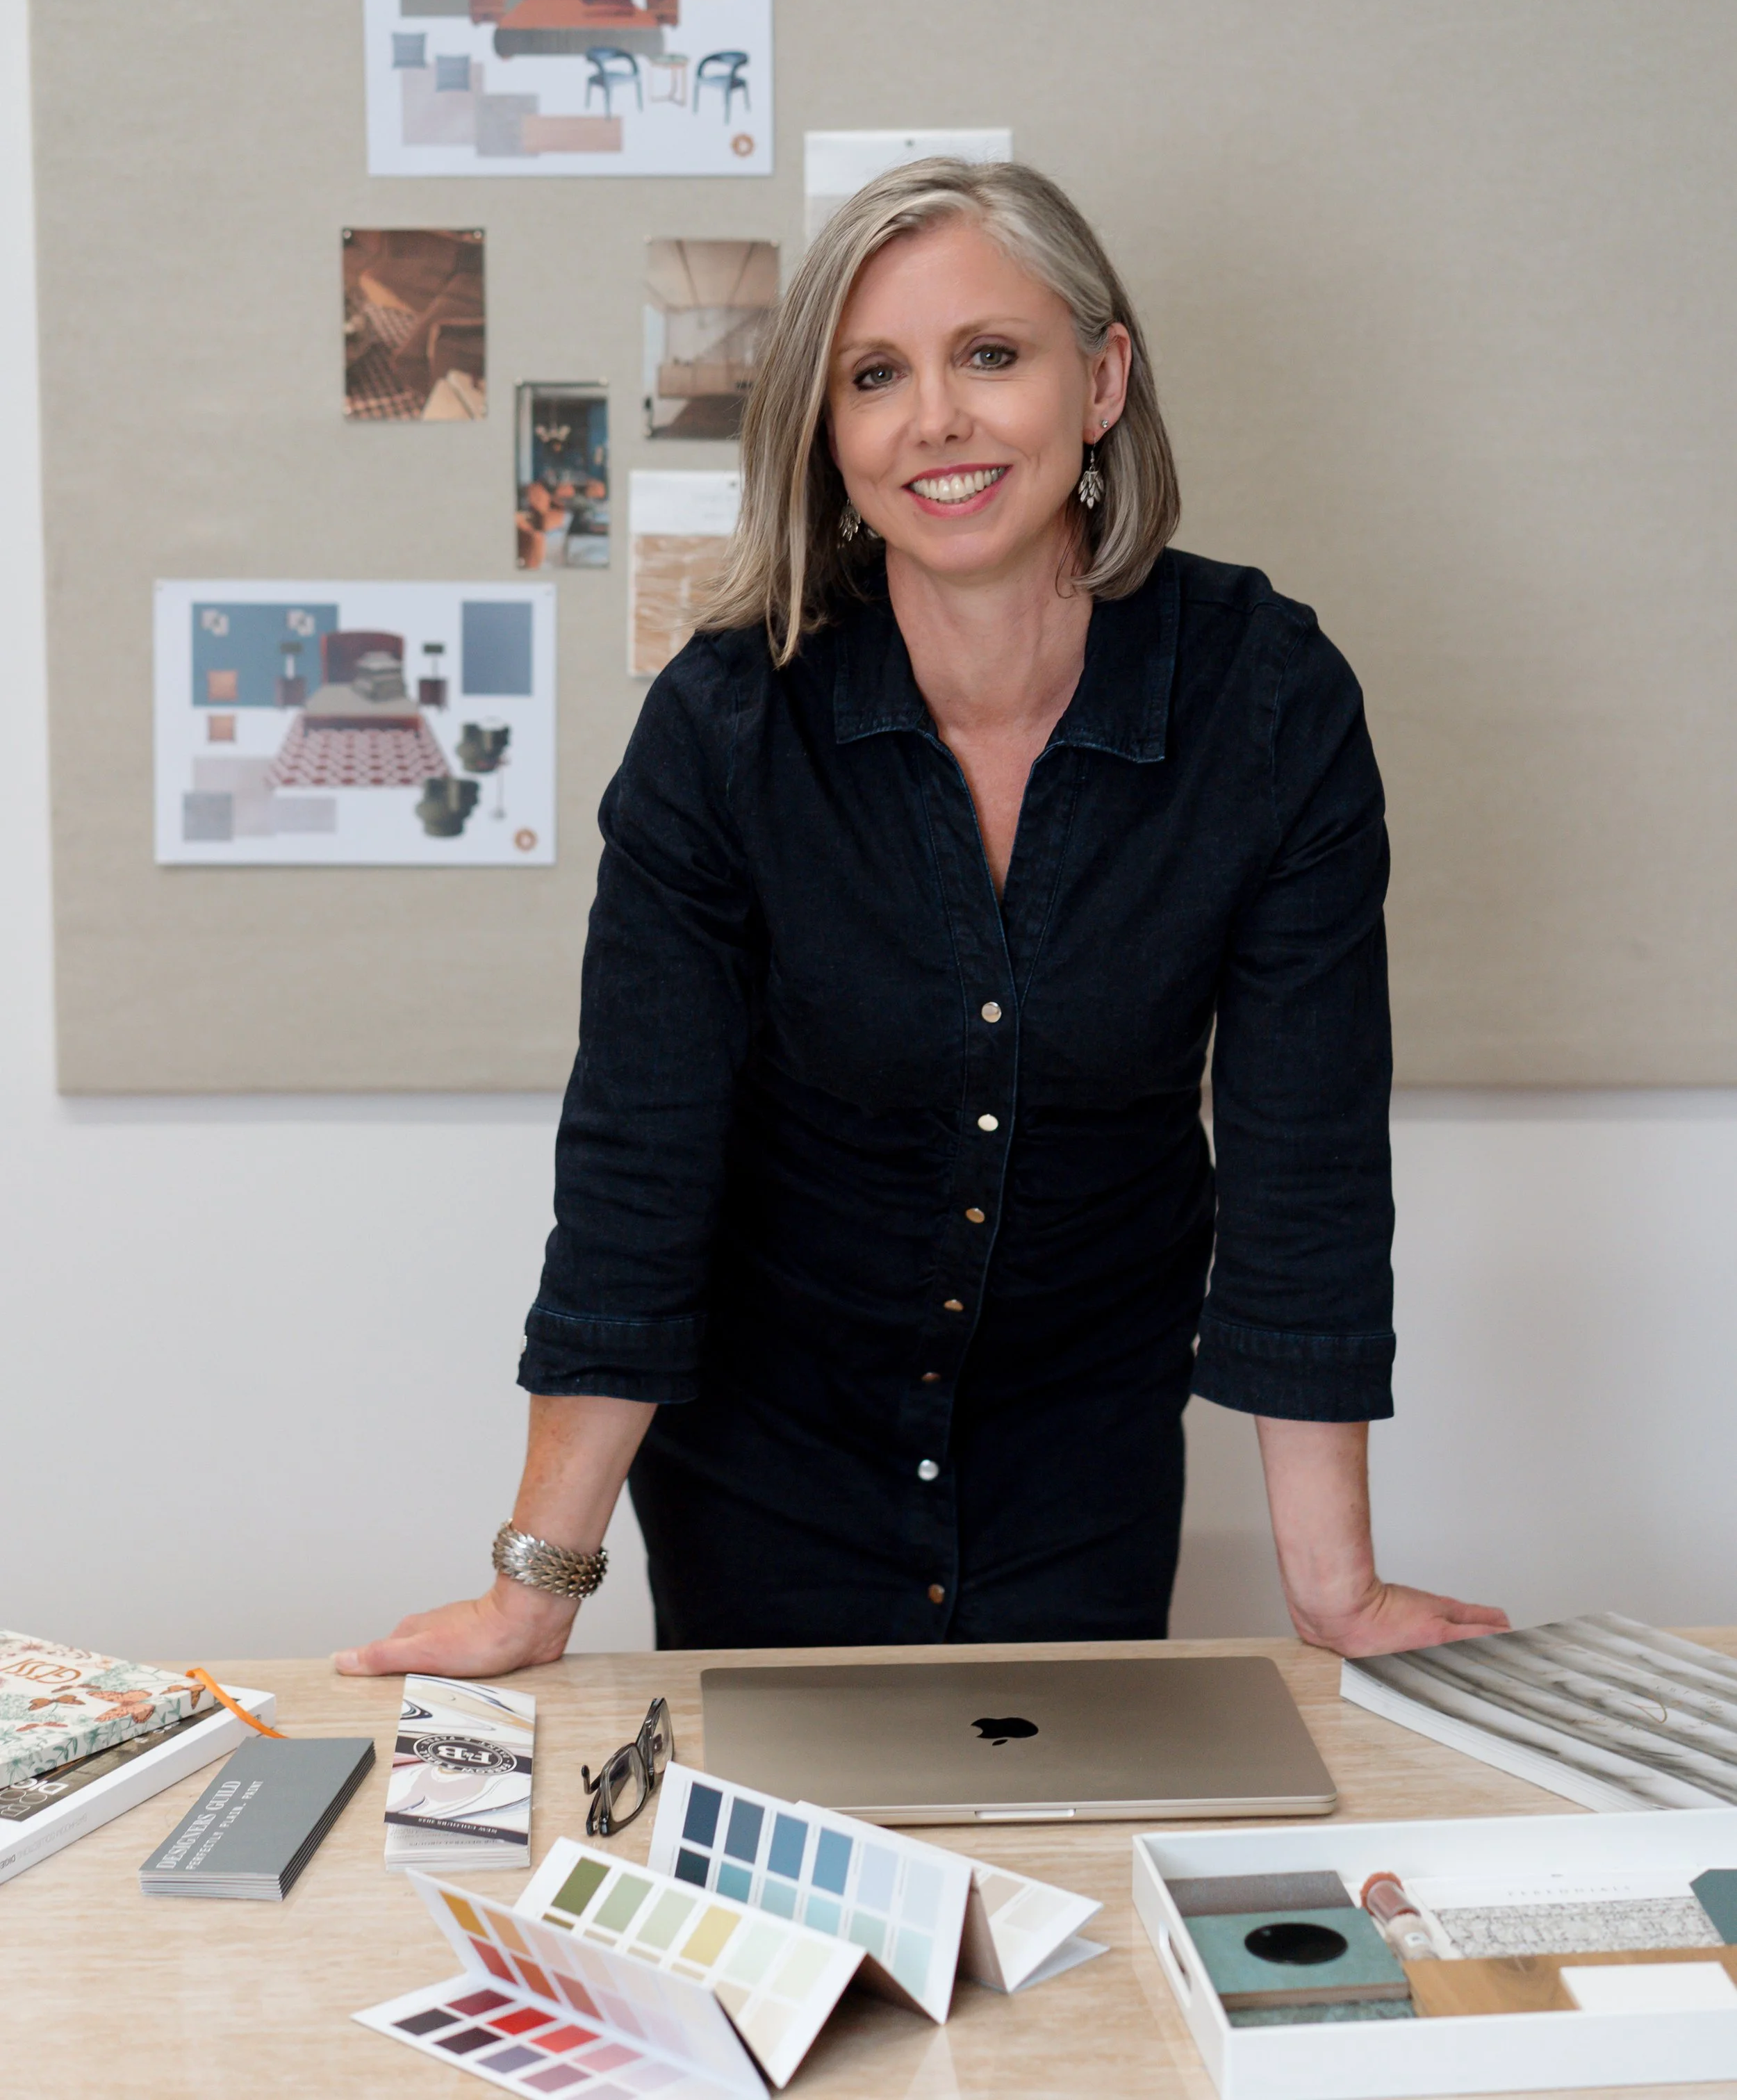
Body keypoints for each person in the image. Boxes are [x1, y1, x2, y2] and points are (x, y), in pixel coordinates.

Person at [338, 161, 1506, 1681]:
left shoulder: (1265, 704)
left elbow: (1308, 1161)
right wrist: (534, 1586)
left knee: (1048, 1888)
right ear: (829, 437)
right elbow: (639, 1160)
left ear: (1099, 382)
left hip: (1083, 1439)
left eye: (990, 357)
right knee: (789, 1903)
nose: (934, 421)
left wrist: (1332, 1586)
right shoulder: (726, 725)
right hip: (766, 1437)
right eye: (874, 376)